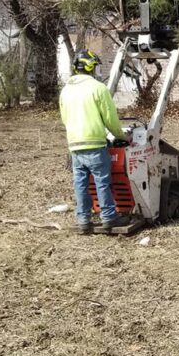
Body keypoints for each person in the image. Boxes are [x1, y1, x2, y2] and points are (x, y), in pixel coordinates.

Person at [59, 50, 130, 234]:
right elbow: (110, 119)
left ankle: (84, 220)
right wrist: (121, 136)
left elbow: (65, 118)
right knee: (102, 181)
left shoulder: (66, 90)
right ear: (90, 67)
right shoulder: (98, 88)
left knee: (80, 183)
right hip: (95, 144)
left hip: (75, 145)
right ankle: (108, 217)